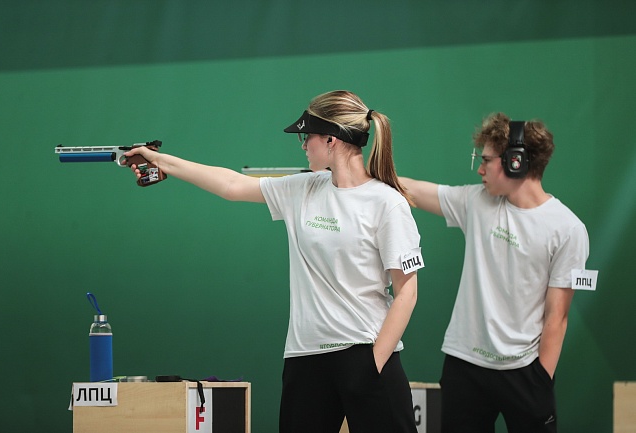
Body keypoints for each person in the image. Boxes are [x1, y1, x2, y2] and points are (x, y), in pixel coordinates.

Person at [125, 90, 424, 433]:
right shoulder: (303, 189)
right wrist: (161, 161)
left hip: (367, 353)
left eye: (307, 136)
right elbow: (231, 185)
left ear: (331, 139)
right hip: (305, 358)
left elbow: (407, 292)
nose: (303, 145)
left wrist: (372, 365)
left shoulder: (387, 203)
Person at [400, 113, 589, 433]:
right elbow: (414, 191)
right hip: (464, 366)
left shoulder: (568, 229)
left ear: (516, 162)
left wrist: (541, 380)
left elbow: (557, 317)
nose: (480, 169)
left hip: (526, 371)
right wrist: (363, 174)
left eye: (486, 160)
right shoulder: (477, 201)